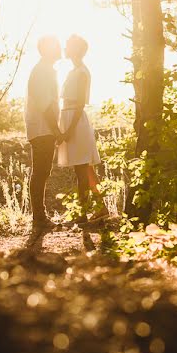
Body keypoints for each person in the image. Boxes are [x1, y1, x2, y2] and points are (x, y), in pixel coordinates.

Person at [57, 34, 108, 224]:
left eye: (68, 45)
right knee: (85, 168)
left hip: (76, 120)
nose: (65, 47)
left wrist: (69, 129)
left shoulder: (81, 72)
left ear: (76, 49)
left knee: (82, 169)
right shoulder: (74, 70)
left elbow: (79, 104)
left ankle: (82, 213)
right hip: (69, 116)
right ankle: (101, 207)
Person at [25, 35, 63, 231]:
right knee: (40, 172)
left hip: (43, 128)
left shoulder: (47, 70)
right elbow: (44, 104)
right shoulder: (42, 71)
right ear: (47, 49)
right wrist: (55, 129)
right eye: (57, 45)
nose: (60, 48)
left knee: (42, 171)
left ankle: (39, 217)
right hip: (41, 128)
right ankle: (39, 218)